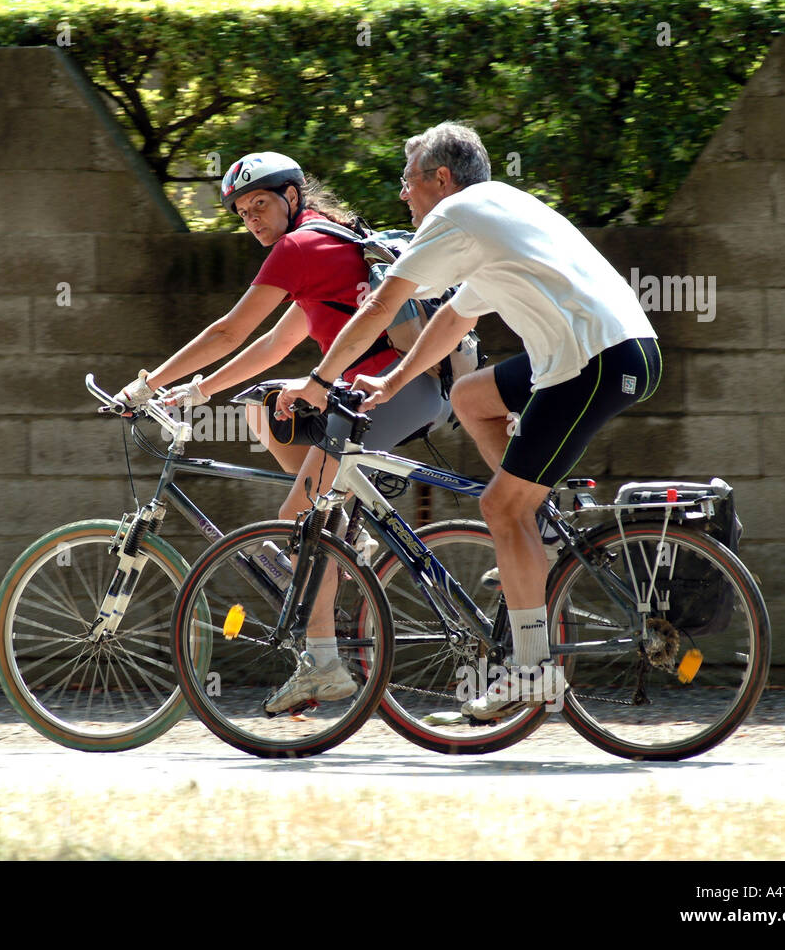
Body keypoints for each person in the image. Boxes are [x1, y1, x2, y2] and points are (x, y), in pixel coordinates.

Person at [277, 122, 662, 720]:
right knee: (473, 397)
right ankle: (533, 517)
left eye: (408, 182)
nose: (403, 195)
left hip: (596, 359)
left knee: (499, 508)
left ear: (440, 178)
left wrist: (321, 379)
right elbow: (453, 320)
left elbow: (380, 305)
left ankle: (533, 670)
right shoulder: (499, 211)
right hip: (603, 351)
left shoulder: (457, 215)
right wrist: (394, 380)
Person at [113, 151, 451, 712]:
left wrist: (145, 384)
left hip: (394, 388)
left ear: (292, 197)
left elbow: (230, 330)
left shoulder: (300, 248)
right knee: (264, 408)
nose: (252, 219)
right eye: (243, 212)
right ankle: (341, 530)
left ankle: (323, 660)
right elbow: (272, 345)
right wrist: (199, 392)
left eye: (261, 204)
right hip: (377, 388)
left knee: (296, 527)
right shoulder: (324, 240)